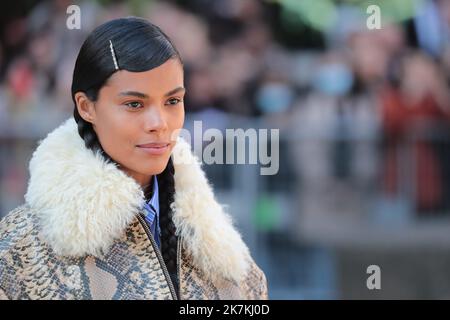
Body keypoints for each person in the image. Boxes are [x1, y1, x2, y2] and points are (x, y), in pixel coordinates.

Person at [0, 17, 268, 300]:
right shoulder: (19, 254)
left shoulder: (226, 257)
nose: (159, 123)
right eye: (134, 104)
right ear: (86, 106)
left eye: (173, 101)